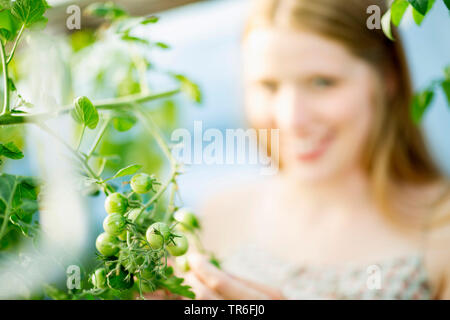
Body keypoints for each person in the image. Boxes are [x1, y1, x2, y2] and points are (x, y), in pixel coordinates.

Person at [180, 0, 450, 300]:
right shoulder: (217, 215)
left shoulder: (442, 232)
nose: (292, 118)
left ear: (387, 78)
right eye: (269, 86)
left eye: (322, 82)